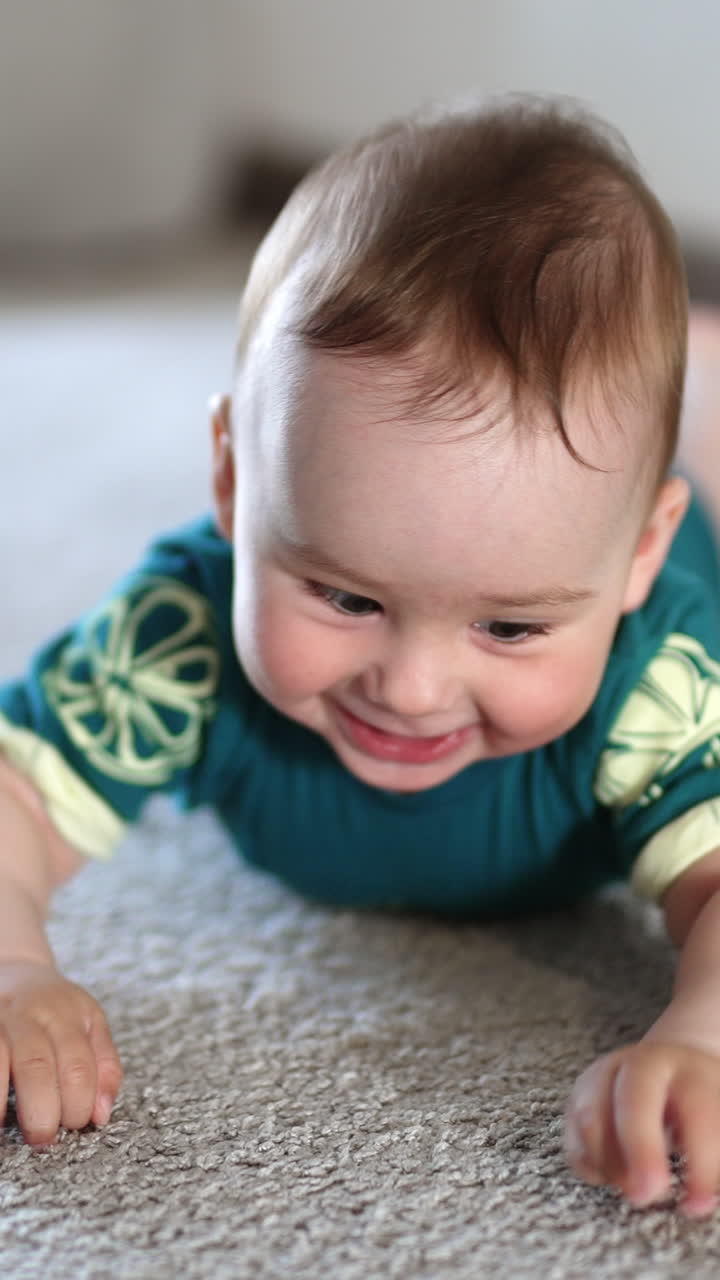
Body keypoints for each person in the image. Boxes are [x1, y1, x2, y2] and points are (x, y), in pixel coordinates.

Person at [2, 94, 720, 1218]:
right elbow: (16, 790)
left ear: (635, 559)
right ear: (234, 479)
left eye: (511, 625)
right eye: (344, 593)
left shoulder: (652, 680)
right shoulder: (183, 637)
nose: (413, 686)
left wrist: (701, 1035)